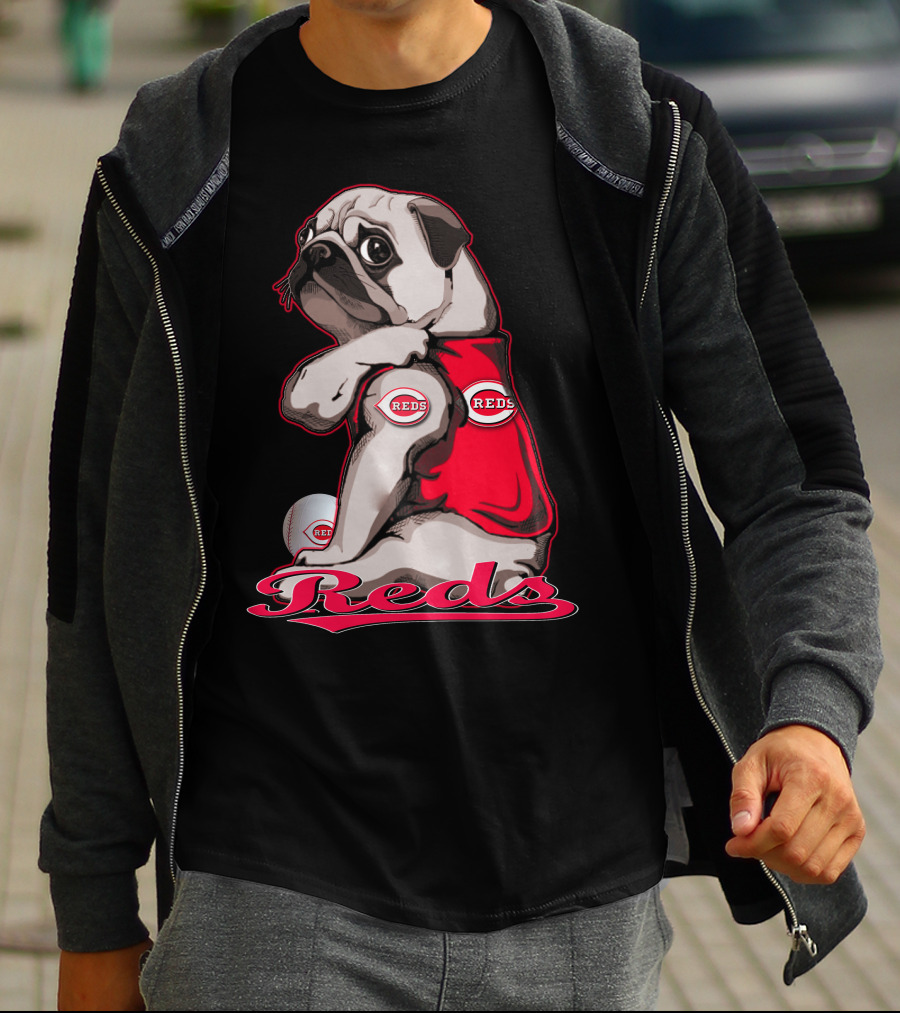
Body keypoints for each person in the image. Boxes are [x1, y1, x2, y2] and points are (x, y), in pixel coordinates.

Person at [41, 0, 881, 1009]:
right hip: (268, 885)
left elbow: (796, 478)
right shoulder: (176, 163)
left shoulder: (633, 137)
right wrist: (93, 907)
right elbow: (90, 551)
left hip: (581, 887)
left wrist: (813, 715)